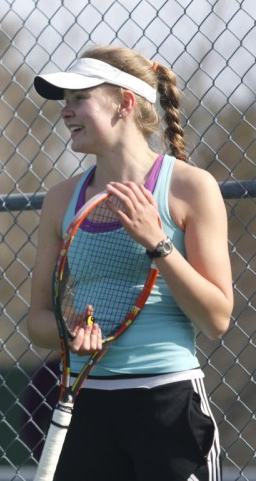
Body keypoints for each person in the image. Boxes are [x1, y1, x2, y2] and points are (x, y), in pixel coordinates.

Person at [25, 46, 233, 480]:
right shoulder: (61, 199)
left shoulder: (191, 188)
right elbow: (38, 321)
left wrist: (158, 243)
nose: (65, 111)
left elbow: (216, 319)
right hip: (85, 404)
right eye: (64, 100)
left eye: (79, 97)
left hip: (169, 404)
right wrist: (70, 335)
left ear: (125, 102)